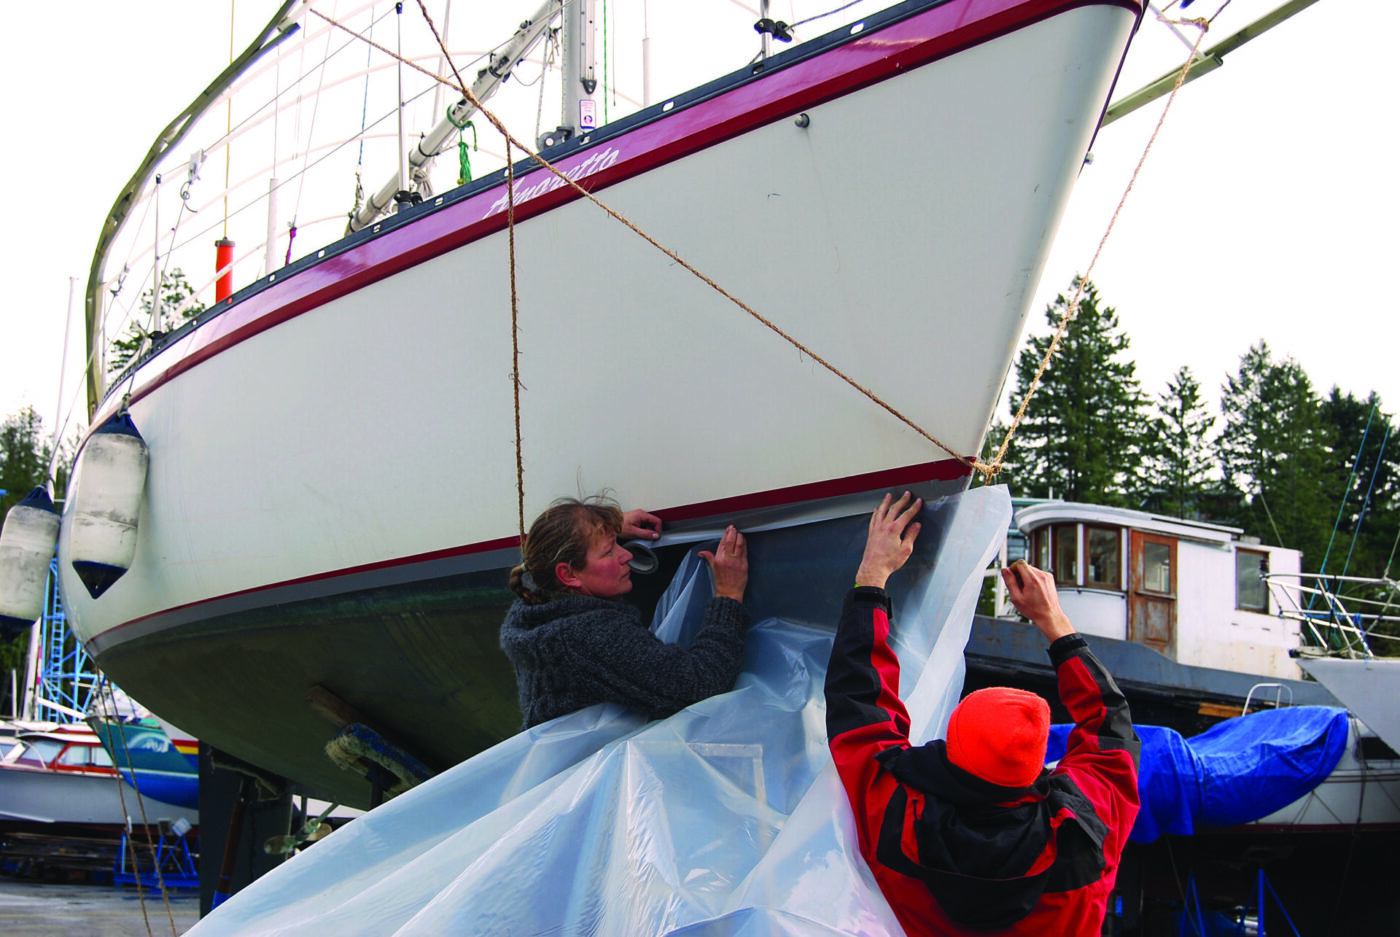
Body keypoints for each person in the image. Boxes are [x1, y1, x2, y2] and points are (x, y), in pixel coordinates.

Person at [824, 493, 1140, 936]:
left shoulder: (900, 819)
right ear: (1035, 769)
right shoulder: (1086, 836)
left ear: (950, 752)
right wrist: (1055, 624)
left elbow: (858, 705)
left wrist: (872, 575)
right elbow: (1112, 732)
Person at [500, 495, 752, 729]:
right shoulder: (591, 636)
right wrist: (729, 596)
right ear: (568, 574)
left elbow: (542, 556)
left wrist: (603, 528)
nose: (626, 554)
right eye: (609, 552)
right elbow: (701, 685)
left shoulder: (531, 607)